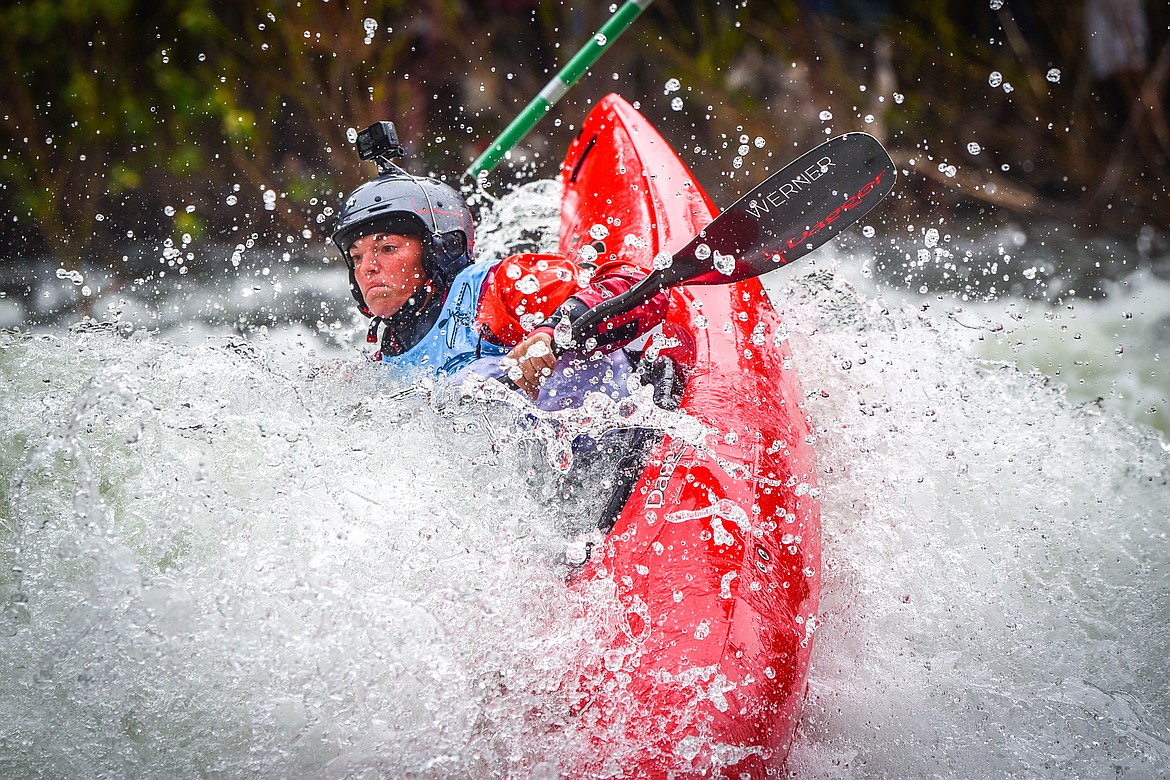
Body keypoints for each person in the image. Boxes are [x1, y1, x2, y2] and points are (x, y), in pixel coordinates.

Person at [330, 154, 669, 406]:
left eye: (387, 248)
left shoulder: (499, 287)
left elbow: (636, 287)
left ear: (438, 250)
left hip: (620, 439)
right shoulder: (385, 359)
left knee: (471, 379)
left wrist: (551, 333)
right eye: (356, 257)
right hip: (545, 489)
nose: (367, 268)